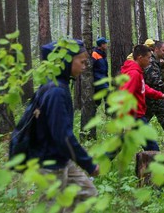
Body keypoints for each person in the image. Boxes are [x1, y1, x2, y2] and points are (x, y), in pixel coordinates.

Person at [33, 40, 99, 211]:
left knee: (87, 194)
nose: (84, 67)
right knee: (52, 207)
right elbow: (63, 136)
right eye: (82, 62)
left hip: (61, 158)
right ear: (67, 60)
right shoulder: (56, 91)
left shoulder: (58, 85)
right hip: (49, 161)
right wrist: (88, 164)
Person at [120, 45, 164, 151]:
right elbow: (125, 94)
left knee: (121, 142)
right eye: (148, 58)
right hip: (135, 117)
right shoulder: (134, 73)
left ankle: (99, 162)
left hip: (137, 115)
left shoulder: (138, 72)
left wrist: (160, 94)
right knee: (152, 147)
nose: (149, 60)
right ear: (140, 57)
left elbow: (144, 88)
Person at [92, 37, 109, 112]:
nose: (107, 45)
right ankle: (109, 113)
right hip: (98, 79)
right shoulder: (94, 54)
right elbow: (90, 67)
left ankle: (92, 112)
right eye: (105, 43)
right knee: (108, 93)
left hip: (103, 79)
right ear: (102, 45)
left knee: (97, 101)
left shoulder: (102, 54)